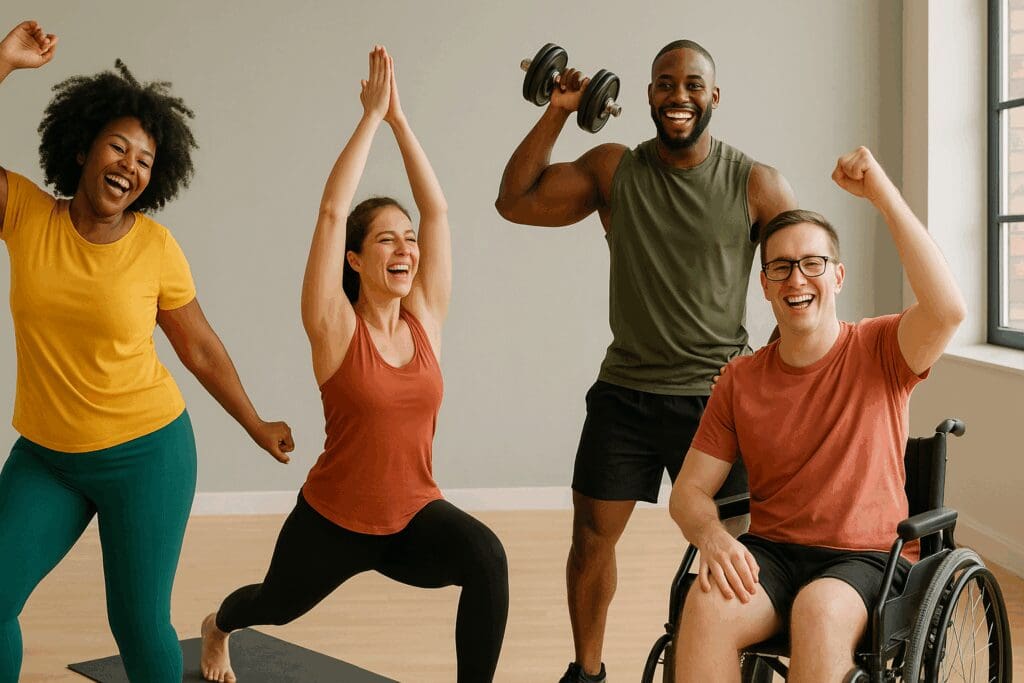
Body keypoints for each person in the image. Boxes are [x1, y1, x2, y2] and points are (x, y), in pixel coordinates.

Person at [200, 46, 509, 683]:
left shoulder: (426, 319)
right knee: (272, 606)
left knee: (488, 557)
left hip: (413, 517)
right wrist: (370, 118)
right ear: (355, 260)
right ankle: (217, 626)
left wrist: (401, 120)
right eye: (386, 239)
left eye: (409, 239)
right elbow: (332, 213)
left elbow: (440, 212)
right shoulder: (334, 329)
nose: (406, 247)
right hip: (333, 521)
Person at [0, 20, 294, 682]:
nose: (129, 167)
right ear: (82, 148)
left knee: (136, 623)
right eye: (118, 147)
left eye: (144, 161)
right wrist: (5, 61)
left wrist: (256, 423)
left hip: (146, 453)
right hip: (47, 455)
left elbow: (201, 350)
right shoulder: (22, 213)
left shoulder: (155, 247)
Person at [495, 39, 796, 682]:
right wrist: (559, 109)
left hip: (719, 402)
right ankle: (588, 671)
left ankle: (742, 670)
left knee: (740, 554)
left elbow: (806, 271)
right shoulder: (613, 170)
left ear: (714, 95)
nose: (678, 96)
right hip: (625, 395)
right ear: (648, 93)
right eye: (665, 84)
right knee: (591, 543)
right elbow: (514, 201)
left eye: (693, 84)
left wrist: (770, 363)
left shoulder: (755, 182)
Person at [669, 147, 966, 682]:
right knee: (707, 603)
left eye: (812, 264)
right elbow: (688, 493)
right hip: (774, 554)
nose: (796, 280)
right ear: (764, 284)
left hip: (868, 558)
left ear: (838, 276)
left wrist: (881, 193)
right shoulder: (739, 379)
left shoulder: (882, 350)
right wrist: (713, 537)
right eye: (780, 267)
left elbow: (947, 310)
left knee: (819, 611)